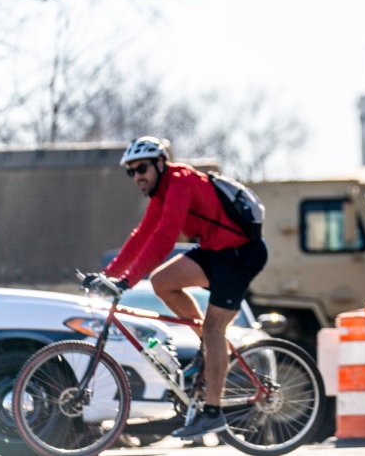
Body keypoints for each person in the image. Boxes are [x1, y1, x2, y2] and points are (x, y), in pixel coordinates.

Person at [100, 136, 268, 439]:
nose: (137, 176)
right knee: (162, 282)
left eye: (141, 168)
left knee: (217, 330)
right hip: (216, 251)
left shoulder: (179, 183)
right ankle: (207, 343)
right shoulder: (161, 193)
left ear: (160, 163)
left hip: (240, 254)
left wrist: (127, 280)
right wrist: (108, 274)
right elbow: (142, 236)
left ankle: (213, 414)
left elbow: (164, 238)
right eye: (131, 171)